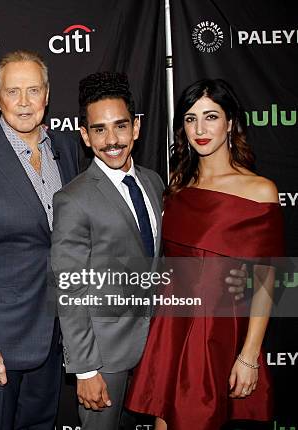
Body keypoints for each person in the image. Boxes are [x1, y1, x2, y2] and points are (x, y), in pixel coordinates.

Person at [125, 78, 283, 429]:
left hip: (219, 332)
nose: (200, 128)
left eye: (211, 117)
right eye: (191, 118)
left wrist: (249, 355)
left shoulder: (259, 191)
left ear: (230, 122)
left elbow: (265, 280)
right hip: (171, 328)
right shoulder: (176, 192)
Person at [0, 50, 82, 429]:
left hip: (55, 332)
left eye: (33, 90)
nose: (24, 102)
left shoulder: (66, 149)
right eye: (13, 91)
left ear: (47, 95)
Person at [50, 71, 164, 430]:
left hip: (157, 347)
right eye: (99, 129)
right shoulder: (73, 198)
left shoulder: (153, 182)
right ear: (85, 136)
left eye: (120, 126)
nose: (111, 140)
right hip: (105, 356)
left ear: (137, 128)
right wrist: (85, 369)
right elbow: (70, 287)